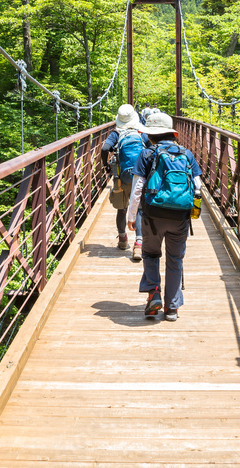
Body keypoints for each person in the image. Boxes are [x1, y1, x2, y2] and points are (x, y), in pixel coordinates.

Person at [126, 111, 202, 321]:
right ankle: (172, 308)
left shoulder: (147, 154)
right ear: (172, 134)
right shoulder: (186, 154)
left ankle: (153, 295)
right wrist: (191, 213)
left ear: (149, 135)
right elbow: (197, 186)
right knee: (175, 259)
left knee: (151, 254)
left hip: (152, 215)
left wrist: (132, 216)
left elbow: (138, 188)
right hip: (180, 216)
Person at [100, 104, 149, 259]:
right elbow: (152, 148)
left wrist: (106, 166)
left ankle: (122, 240)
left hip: (123, 177)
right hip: (140, 175)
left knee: (121, 209)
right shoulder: (141, 131)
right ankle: (139, 246)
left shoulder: (117, 132)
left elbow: (104, 149)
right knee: (140, 209)